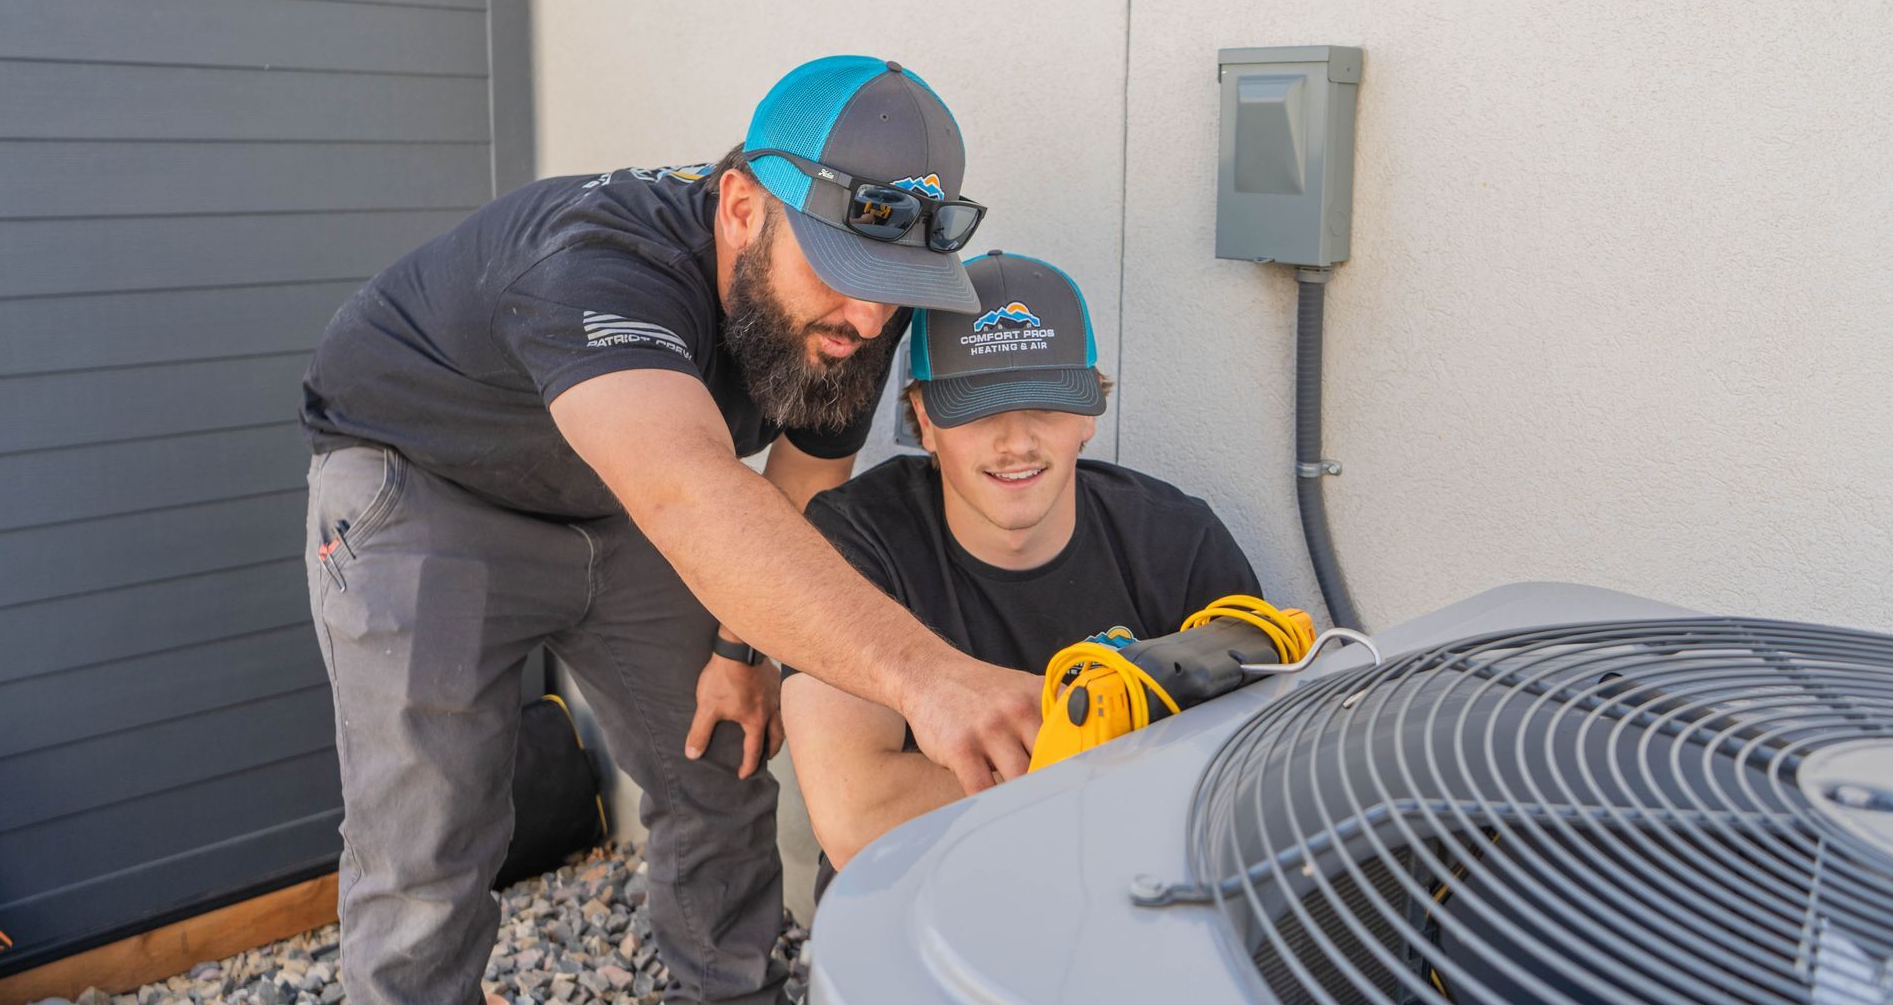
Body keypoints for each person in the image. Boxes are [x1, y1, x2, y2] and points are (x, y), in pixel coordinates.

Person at [297, 56, 1041, 1005]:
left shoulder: (872, 287)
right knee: (427, 842)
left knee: (722, 757)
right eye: (844, 274)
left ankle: (728, 990)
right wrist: (931, 677)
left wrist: (745, 649)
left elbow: (804, 476)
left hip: (618, 500)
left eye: (895, 283)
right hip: (427, 490)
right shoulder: (594, 262)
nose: (868, 315)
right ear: (740, 208)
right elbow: (689, 495)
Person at [781, 251, 1262, 889]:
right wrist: (1110, 756)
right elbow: (857, 814)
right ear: (924, 420)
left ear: (1088, 413)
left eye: (1046, 403)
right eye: (980, 410)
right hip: (923, 894)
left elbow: (1250, 767)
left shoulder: (1178, 540)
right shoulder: (853, 540)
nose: (1016, 441)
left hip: (1126, 892)